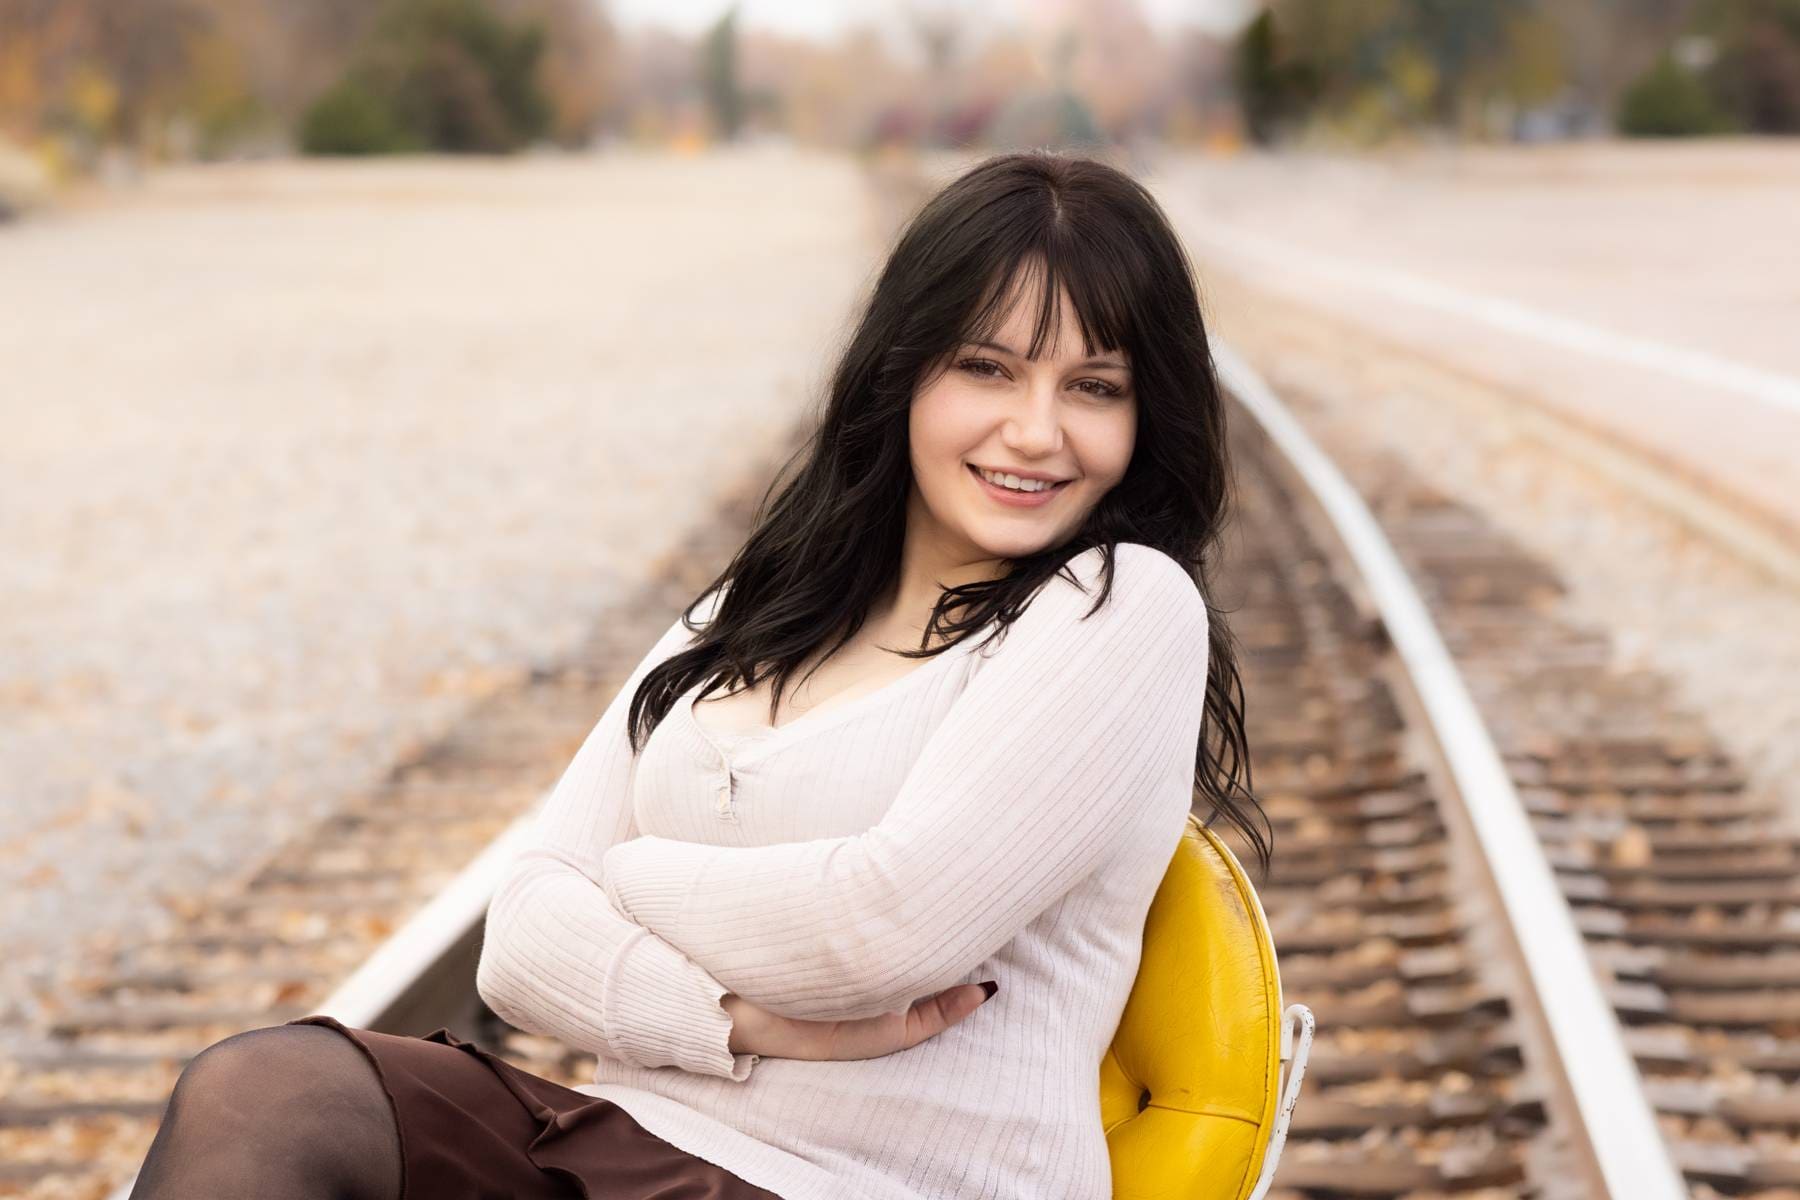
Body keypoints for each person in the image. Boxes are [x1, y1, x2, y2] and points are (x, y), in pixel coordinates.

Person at [127, 149, 1269, 1200]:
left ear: (1142, 415)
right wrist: (738, 1021)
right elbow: (520, 937)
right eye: (989, 369)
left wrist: (627, 878)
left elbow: (888, 930)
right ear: (905, 373)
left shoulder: (1118, 606)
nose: (1035, 431)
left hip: (879, 1182)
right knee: (267, 1092)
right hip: (623, 1142)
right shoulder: (755, 605)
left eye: (1094, 387)